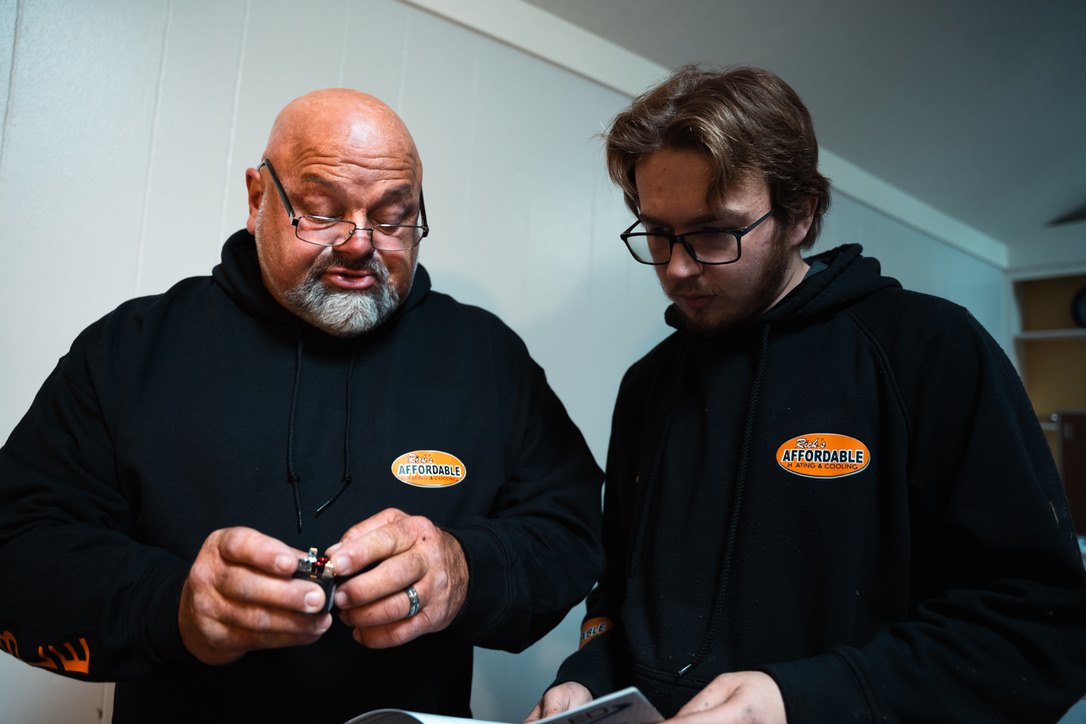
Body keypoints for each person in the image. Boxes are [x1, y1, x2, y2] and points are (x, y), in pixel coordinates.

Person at [0, 89, 604, 724]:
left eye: (395, 217)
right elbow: (17, 546)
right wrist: (175, 607)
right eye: (320, 211)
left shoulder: (488, 358)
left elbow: (571, 528)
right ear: (259, 196)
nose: (359, 243)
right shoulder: (132, 348)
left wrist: (466, 568)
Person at [528, 66, 1086, 724]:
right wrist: (588, 676)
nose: (677, 267)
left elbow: (1042, 629)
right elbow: (620, 593)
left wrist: (803, 700)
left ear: (800, 214)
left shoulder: (932, 351)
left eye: (714, 232)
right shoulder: (647, 385)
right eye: (657, 233)